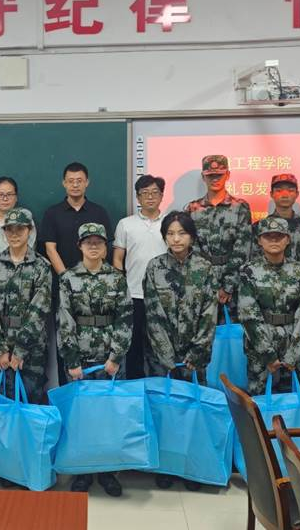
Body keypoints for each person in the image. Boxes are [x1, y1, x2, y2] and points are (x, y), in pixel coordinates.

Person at [142, 210, 217, 491]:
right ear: (164, 237)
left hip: (194, 356)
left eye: (182, 233)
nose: (176, 239)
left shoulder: (204, 268)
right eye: (171, 234)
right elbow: (152, 313)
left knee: (192, 413)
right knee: (164, 414)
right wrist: (166, 356)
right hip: (162, 357)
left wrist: (196, 352)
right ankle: (165, 468)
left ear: (192, 237)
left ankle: (191, 468)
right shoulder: (154, 267)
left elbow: (209, 313)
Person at [57, 223, 132, 497]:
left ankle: (109, 472)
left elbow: (125, 318)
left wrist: (116, 357)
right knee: (81, 416)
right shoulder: (68, 278)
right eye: (88, 242)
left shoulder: (117, 278)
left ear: (105, 247)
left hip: (110, 358)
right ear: (79, 246)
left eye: (98, 242)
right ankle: (83, 471)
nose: (93, 246)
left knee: (109, 415)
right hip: (80, 358)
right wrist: (72, 360)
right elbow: (64, 320)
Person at [0, 208, 51, 402]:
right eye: (9, 229)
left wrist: (19, 351)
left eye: (20, 229)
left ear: (30, 230)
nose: (14, 234)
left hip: (31, 349)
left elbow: (39, 311)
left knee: (30, 402)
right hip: (0, 345)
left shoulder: (41, 266)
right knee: (2, 404)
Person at [238, 217, 300, 395]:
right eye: (268, 236)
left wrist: (294, 354)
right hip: (261, 344)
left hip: (293, 342)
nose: (273, 240)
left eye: (279, 236)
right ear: (259, 240)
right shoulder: (249, 271)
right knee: (260, 399)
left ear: (287, 240)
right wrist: (268, 355)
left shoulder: (299, 271)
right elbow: (248, 315)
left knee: (292, 399)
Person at [113, 174, 168, 379]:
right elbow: (117, 259)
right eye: (145, 193)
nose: (150, 197)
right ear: (137, 197)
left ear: (162, 196)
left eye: (155, 193)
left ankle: (159, 389)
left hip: (164, 296)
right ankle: (134, 388)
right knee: (133, 347)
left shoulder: (171, 223)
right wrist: (122, 288)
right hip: (134, 294)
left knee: (161, 348)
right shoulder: (125, 224)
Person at [183, 155, 252, 315]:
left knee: (231, 327)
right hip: (202, 280)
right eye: (210, 175)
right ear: (203, 177)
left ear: (227, 175)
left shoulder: (240, 207)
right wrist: (205, 281)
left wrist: (228, 285)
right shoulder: (193, 209)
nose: (215, 179)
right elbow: (191, 248)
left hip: (234, 281)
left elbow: (243, 248)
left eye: (219, 175)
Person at [41, 162, 113, 276]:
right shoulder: (52, 213)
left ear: (87, 182)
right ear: (64, 183)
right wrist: (65, 277)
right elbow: (50, 249)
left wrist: (93, 276)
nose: (75, 185)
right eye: (71, 181)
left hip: (93, 280)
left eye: (79, 181)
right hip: (61, 280)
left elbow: (104, 247)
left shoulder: (99, 212)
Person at [257, 174, 300, 274]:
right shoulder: (259, 227)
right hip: (266, 280)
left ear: (297, 194)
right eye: (279, 190)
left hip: (299, 279)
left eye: (290, 190)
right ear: (271, 194)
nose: (285, 195)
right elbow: (256, 259)